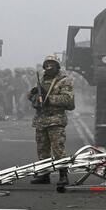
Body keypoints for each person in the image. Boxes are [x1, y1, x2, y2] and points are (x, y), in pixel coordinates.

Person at [28, 55, 75, 186]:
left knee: (58, 149)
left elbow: (68, 100)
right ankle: (44, 174)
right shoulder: (41, 80)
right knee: (42, 149)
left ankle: (63, 175)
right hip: (41, 119)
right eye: (47, 64)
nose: (49, 67)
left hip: (56, 120)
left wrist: (49, 99)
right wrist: (33, 95)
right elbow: (30, 96)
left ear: (57, 66)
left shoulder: (64, 81)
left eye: (52, 64)